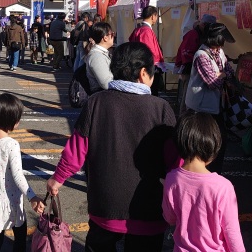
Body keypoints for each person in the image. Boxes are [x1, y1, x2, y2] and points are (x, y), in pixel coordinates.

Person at [47, 42, 177, 252]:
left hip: (105, 204)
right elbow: (175, 161)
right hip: (148, 206)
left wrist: (58, 178)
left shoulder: (96, 102)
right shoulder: (160, 108)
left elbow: (76, 149)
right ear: (144, 73)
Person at [163, 112, 246, 252]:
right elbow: (232, 233)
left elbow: (169, 218)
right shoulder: (223, 187)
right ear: (212, 146)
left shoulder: (171, 179)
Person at [0, 93, 44, 252]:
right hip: (10, 201)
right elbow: (18, 175)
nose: (19, 121)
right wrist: (32, 196)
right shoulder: (11, 144)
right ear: (10, 120)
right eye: (17, 118)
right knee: (20, 236)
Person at [185, 23, 236, 173]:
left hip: (214, 105)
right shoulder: (201, 55)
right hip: (200, 106)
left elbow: (229, 71)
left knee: (218, 139)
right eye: (215, 46)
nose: (217, 49)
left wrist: (223, 74)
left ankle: (213, 171)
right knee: (204, 140)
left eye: (219, 46)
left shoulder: (219, 53)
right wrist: (223, 75)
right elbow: (213, 82)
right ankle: (203, 171)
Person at [174, 14, 216, 114]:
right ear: (204, 25)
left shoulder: (202, 34)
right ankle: (184, 120)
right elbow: (186, 54)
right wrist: (203, 62)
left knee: (194, 97)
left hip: (197, 70)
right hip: (189, 70)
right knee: (187, 97)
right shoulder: (192, 34)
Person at [129, 5, 165, 96]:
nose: (156, 19)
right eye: (156, 16)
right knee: (151, 93)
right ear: (153, 16)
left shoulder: (138, 29)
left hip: (139, 66)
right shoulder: (146, 31)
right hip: (147, 68)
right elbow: (148, 50)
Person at [84, 22, 115, 93]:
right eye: (112, 34)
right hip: (102, 98)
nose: (114, 36)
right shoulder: (97, 57)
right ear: (105, 38)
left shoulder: (99, 54)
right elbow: (106, 83)